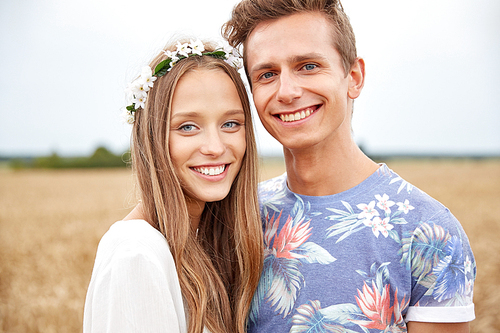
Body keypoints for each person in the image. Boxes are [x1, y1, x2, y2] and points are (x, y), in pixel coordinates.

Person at [222, 1, 476, 332]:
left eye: (308, 66)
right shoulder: (237, 217)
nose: (287, 91)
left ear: (353, 77)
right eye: (267, 74)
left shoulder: (430, 233)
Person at [83, 39, 263, 333]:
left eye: (230, 123)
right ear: (152, 138)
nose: (215, 147)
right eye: (187, 127)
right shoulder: (136, 255)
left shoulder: (204, 244)